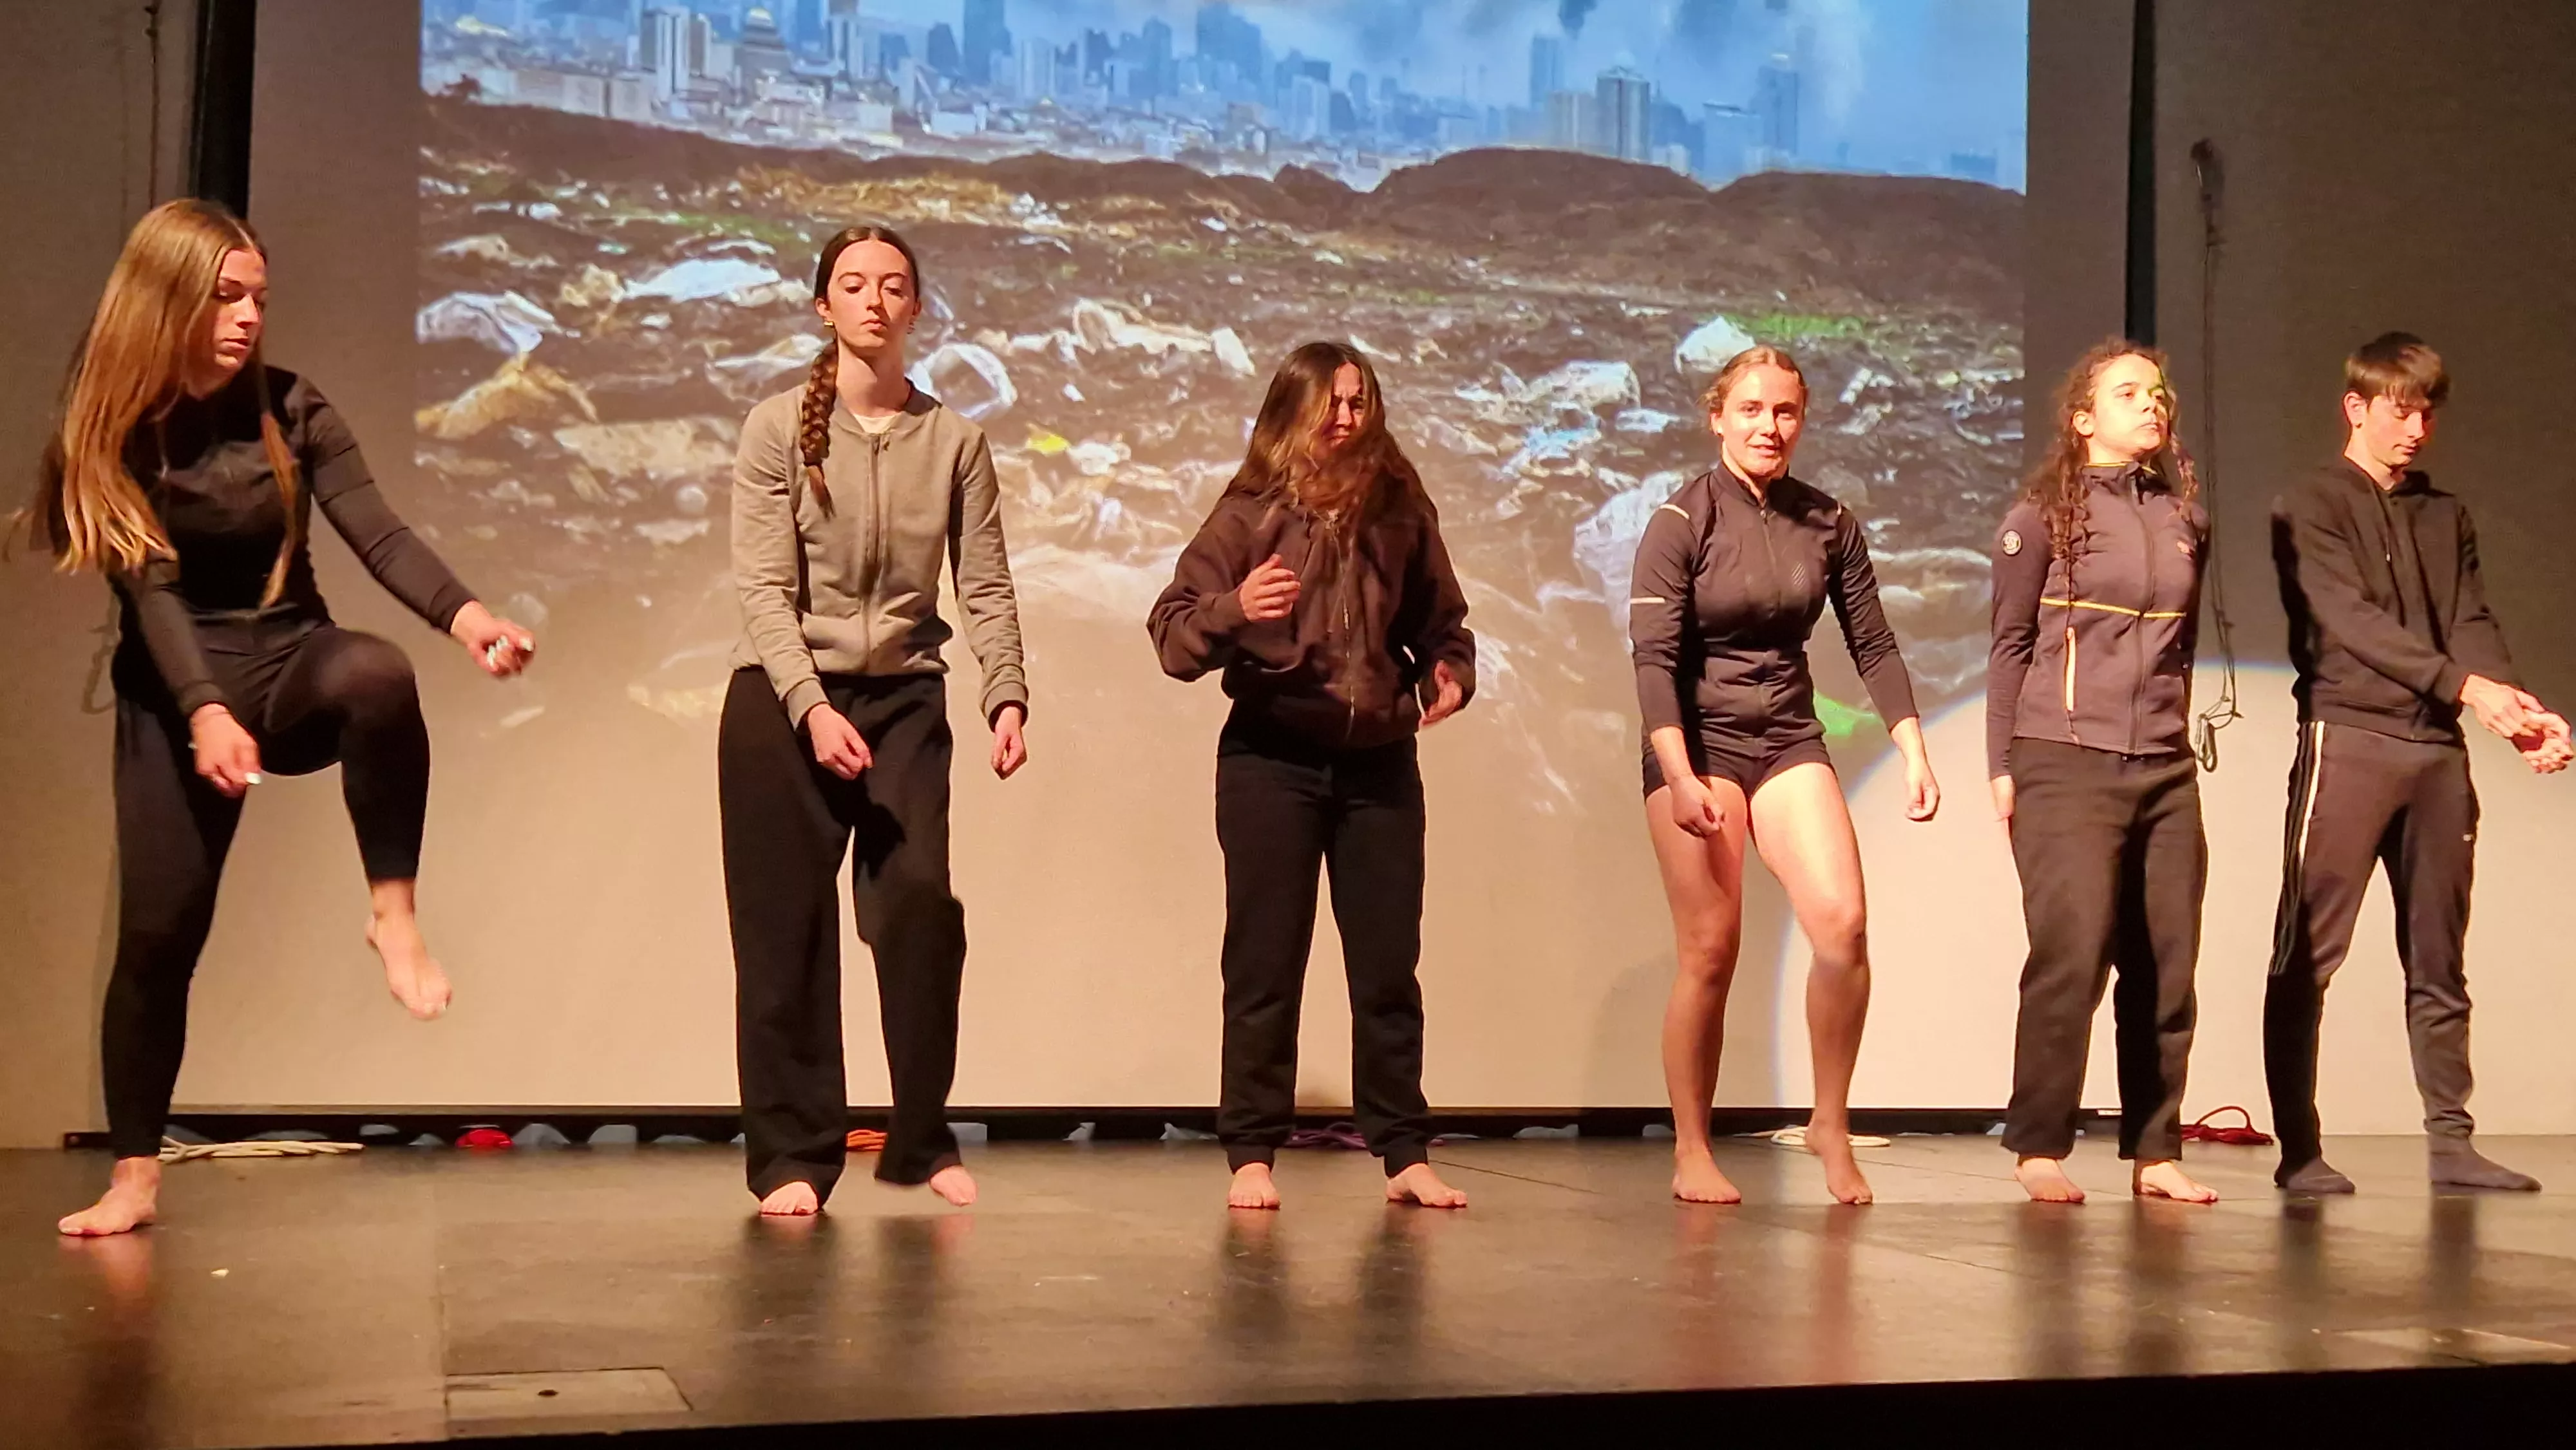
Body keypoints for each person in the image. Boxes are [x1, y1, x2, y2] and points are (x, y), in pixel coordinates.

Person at [23, 199, 536, 1237]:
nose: (250, 317)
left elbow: (378, 532)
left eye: (259, 297)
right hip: (176, 686)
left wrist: (470, 618)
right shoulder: (113, 425)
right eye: (227, 297)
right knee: (160, 933)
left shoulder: (293, 409)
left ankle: (393, 913)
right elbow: (151, 595)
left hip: (292, 659)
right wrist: (205, 712)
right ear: (169, 296)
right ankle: (134, 1175)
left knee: (376, 676)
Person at [720, 224, 1028, 1216]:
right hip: (782, 702)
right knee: (787, 941)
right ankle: (792, 1160)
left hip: (903, 699)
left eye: (893, 286)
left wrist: (1006, 693)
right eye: (853, 285)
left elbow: (985, 585)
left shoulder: (955, 442)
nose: (874, 301)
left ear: (916, 307)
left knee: (919, 910)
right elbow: (764, 592)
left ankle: (919, 1135)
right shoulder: (776, 429)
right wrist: (810, 708)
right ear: (825, 307)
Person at [1149, 341, 1475, 1212]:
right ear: (1292, 411)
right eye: (1330, 402)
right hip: (1272, 761)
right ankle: (1252, 1152)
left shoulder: (1399, 509)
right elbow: (1171, 634)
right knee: (1265, 962)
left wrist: (1450, 674)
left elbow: (1445, 625)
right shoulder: (1250, 512)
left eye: (1359, 401)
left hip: (1380, 763)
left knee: (1387, 968)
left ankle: (1403, 1153)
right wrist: (1234, 609)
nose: (1346, 417)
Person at [1629, 344, 1938, 1207]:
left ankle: (1828, 1123)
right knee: (1711, 948)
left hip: (1787, 736)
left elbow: (1872, 640)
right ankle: (1693, 1147)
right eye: (1753, 410)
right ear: (1718, 418)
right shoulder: (1681, 520)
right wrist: (1678, 774)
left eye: (1786, 412)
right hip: (1698, 742)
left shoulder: (1827, 521)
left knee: (1843, 926)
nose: (1770, 427)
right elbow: (1653, 659)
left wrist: (1913, 746)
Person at [2264, 332, 2570, 1195]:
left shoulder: (2445, 514)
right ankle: (2300, 1148)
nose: (2416, 430)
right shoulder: (2310, 505)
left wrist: (2518, 712)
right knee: (2309, 954)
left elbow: (2469, 617)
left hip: (2436, 752)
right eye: (2401, 412)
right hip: (2350, 740)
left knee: (2439, 956)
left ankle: (2451, 1143)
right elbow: (2350, 621)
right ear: (2356, 408)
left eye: (2427, 414)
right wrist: (2466, 687)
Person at [1988, 341, 2216, 1206]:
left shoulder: (2184, 518)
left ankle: (2156, 1150)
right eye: (2128, 394)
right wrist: (2001, 765)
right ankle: (2038, 1145)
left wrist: (2172, 735)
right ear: (2084, 418)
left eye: (2158, 393)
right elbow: (2010, 645)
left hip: (2163, 767)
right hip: (2063, 759)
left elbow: (2181, 646)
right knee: (2073, 953)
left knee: (2165, 961)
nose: (2151, 405)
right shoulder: (2042, 516)